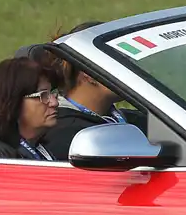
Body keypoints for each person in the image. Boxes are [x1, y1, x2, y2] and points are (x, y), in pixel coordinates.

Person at [39, 21, 130, 159]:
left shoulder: (120, 118)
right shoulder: (69, 136)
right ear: (89, 73)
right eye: (118, 62)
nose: (129, 71)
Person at [0, 57, 59, 159]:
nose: (54, 102)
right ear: (14, 102)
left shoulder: (41, 148)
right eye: (43, 95)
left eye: (52, 93)